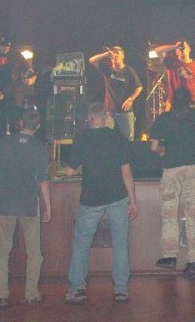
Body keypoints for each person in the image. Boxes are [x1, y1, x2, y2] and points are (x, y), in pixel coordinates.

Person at [64, 102, 138, 304]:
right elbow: (127, 172)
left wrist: (83, 167)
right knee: (120, 242)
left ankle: (78, 288)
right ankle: (121, 289)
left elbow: (69, 171)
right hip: (117, 197)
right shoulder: (117, 137)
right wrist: (133, 200)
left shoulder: (82, 138)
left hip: (91, 198)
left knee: (82, 242)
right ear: (106, 117)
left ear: (89, 119)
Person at [150, 87, 195, 280]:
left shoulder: (164, 118)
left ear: (172, 101)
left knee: (170, 213)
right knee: (192, 214)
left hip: (172, 168)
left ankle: (170, 256)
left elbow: (154, 146)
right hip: (194, 167)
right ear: (190, 100)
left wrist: (163, 151)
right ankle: (193, 260)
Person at [0, 109, 51, 308]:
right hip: (29, 205)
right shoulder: (40, 147)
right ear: (38, 126)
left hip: (5, 203)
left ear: (19, 123)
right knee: (34, 252)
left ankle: (0, 295)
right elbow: (43, 180)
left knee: (1, 251)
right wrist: (48, 206)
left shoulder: (4, 142)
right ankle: (31, 294)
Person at [0, 36, 35, 134]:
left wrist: (29, 79)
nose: (6, 49)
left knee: (16, 124)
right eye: (3, 46)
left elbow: (29, 71)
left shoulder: (16, 55)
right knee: (0, 125)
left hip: (15, 98)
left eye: (8, 46)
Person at [88, 46, 142, 141]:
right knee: (107, 138)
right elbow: (92, 60)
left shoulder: (129, 70)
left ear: (123, 56)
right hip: (110, 111)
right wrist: (106, 54)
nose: (115, 55)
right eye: (113, 53)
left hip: (125, 111)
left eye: (117, 53)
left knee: (128, 139)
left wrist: (131, 99)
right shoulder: (107, 68)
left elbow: (139, 87)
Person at [154, 40, 195, 110]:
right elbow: (158, 50)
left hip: (192, 102)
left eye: (184, 48)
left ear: (189, 49)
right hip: (176, 103)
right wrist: (175, 46)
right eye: (179, 49)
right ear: (176, 51)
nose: (182, 50)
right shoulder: (171, 62)